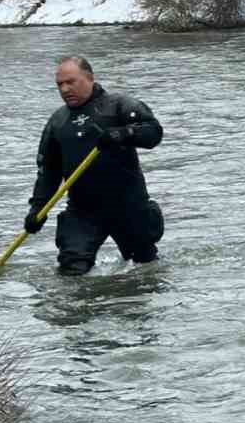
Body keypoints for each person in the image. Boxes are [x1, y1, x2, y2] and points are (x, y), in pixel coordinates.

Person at [23, 56, 165, 274]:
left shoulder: (120, 105)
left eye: (71, 82)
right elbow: (48, 172)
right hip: (83, 210)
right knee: (72, 269)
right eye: (60, 84)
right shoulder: (57, 122)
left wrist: (124, 133)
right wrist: (38, 209)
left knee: (145, 268)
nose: (65, 89)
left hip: (128, 205)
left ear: (89, 78)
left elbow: (153, 132)